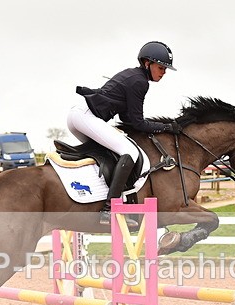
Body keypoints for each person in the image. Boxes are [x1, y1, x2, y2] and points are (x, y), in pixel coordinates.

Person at [68, 41, 182, 227]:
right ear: (147, 63)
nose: (163, 73)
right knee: (130, 153)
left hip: (78, 116)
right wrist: (166, 127)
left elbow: (127, 118)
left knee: (110, 156)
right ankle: (108, 209)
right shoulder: (139, 82)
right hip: (85, 116)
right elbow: (137, 122)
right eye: (161, 67)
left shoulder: (133, 75)